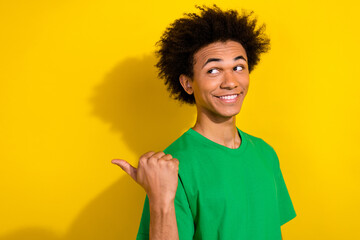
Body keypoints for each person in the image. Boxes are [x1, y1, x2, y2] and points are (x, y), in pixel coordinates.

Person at [112, 5, 296, 240]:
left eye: (238, 67)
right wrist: (161, 200)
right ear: (188, 83)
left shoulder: (265, 153)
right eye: (213, 70)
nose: (231, 82)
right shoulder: (173, 167)